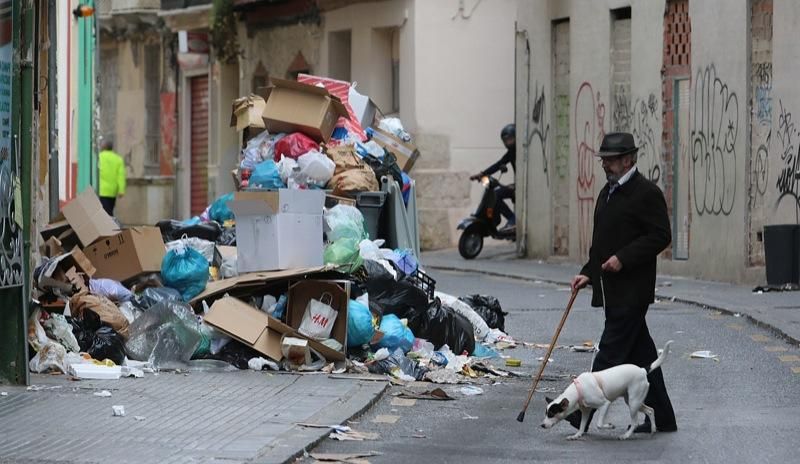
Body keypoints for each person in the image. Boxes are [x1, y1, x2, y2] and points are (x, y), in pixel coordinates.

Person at [568, 132, 677, 434]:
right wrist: (588, 271)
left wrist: (623, 258)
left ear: (629, 159)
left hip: (633, 289)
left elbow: (660, 236)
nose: (606, 164)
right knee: (642, 356)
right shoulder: (607, 193)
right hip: (611, 289)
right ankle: (664, 418)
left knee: (610, 353)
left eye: (612, 160)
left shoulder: (646, 192)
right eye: (603, 160)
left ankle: (580, 411)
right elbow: (600, 242)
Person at [470, 123, 516, 232]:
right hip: (517, 185)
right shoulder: (510, 153)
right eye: (505, 140)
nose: (508, 142)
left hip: (523, 186)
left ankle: (512, 219)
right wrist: (482, 174)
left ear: (515, 137)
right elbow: (498, 164)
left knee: (497, 195)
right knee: (494, 194)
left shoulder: (520, 151)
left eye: (510, 139)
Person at [98, 139, 126, 216]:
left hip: (101, 190)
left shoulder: (99, 157)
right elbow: (121, 175)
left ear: (103, 147)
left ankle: (108, 226)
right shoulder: (118, 159)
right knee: (110, 211)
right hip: (112, 191)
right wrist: (121, 190)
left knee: (104, 213)